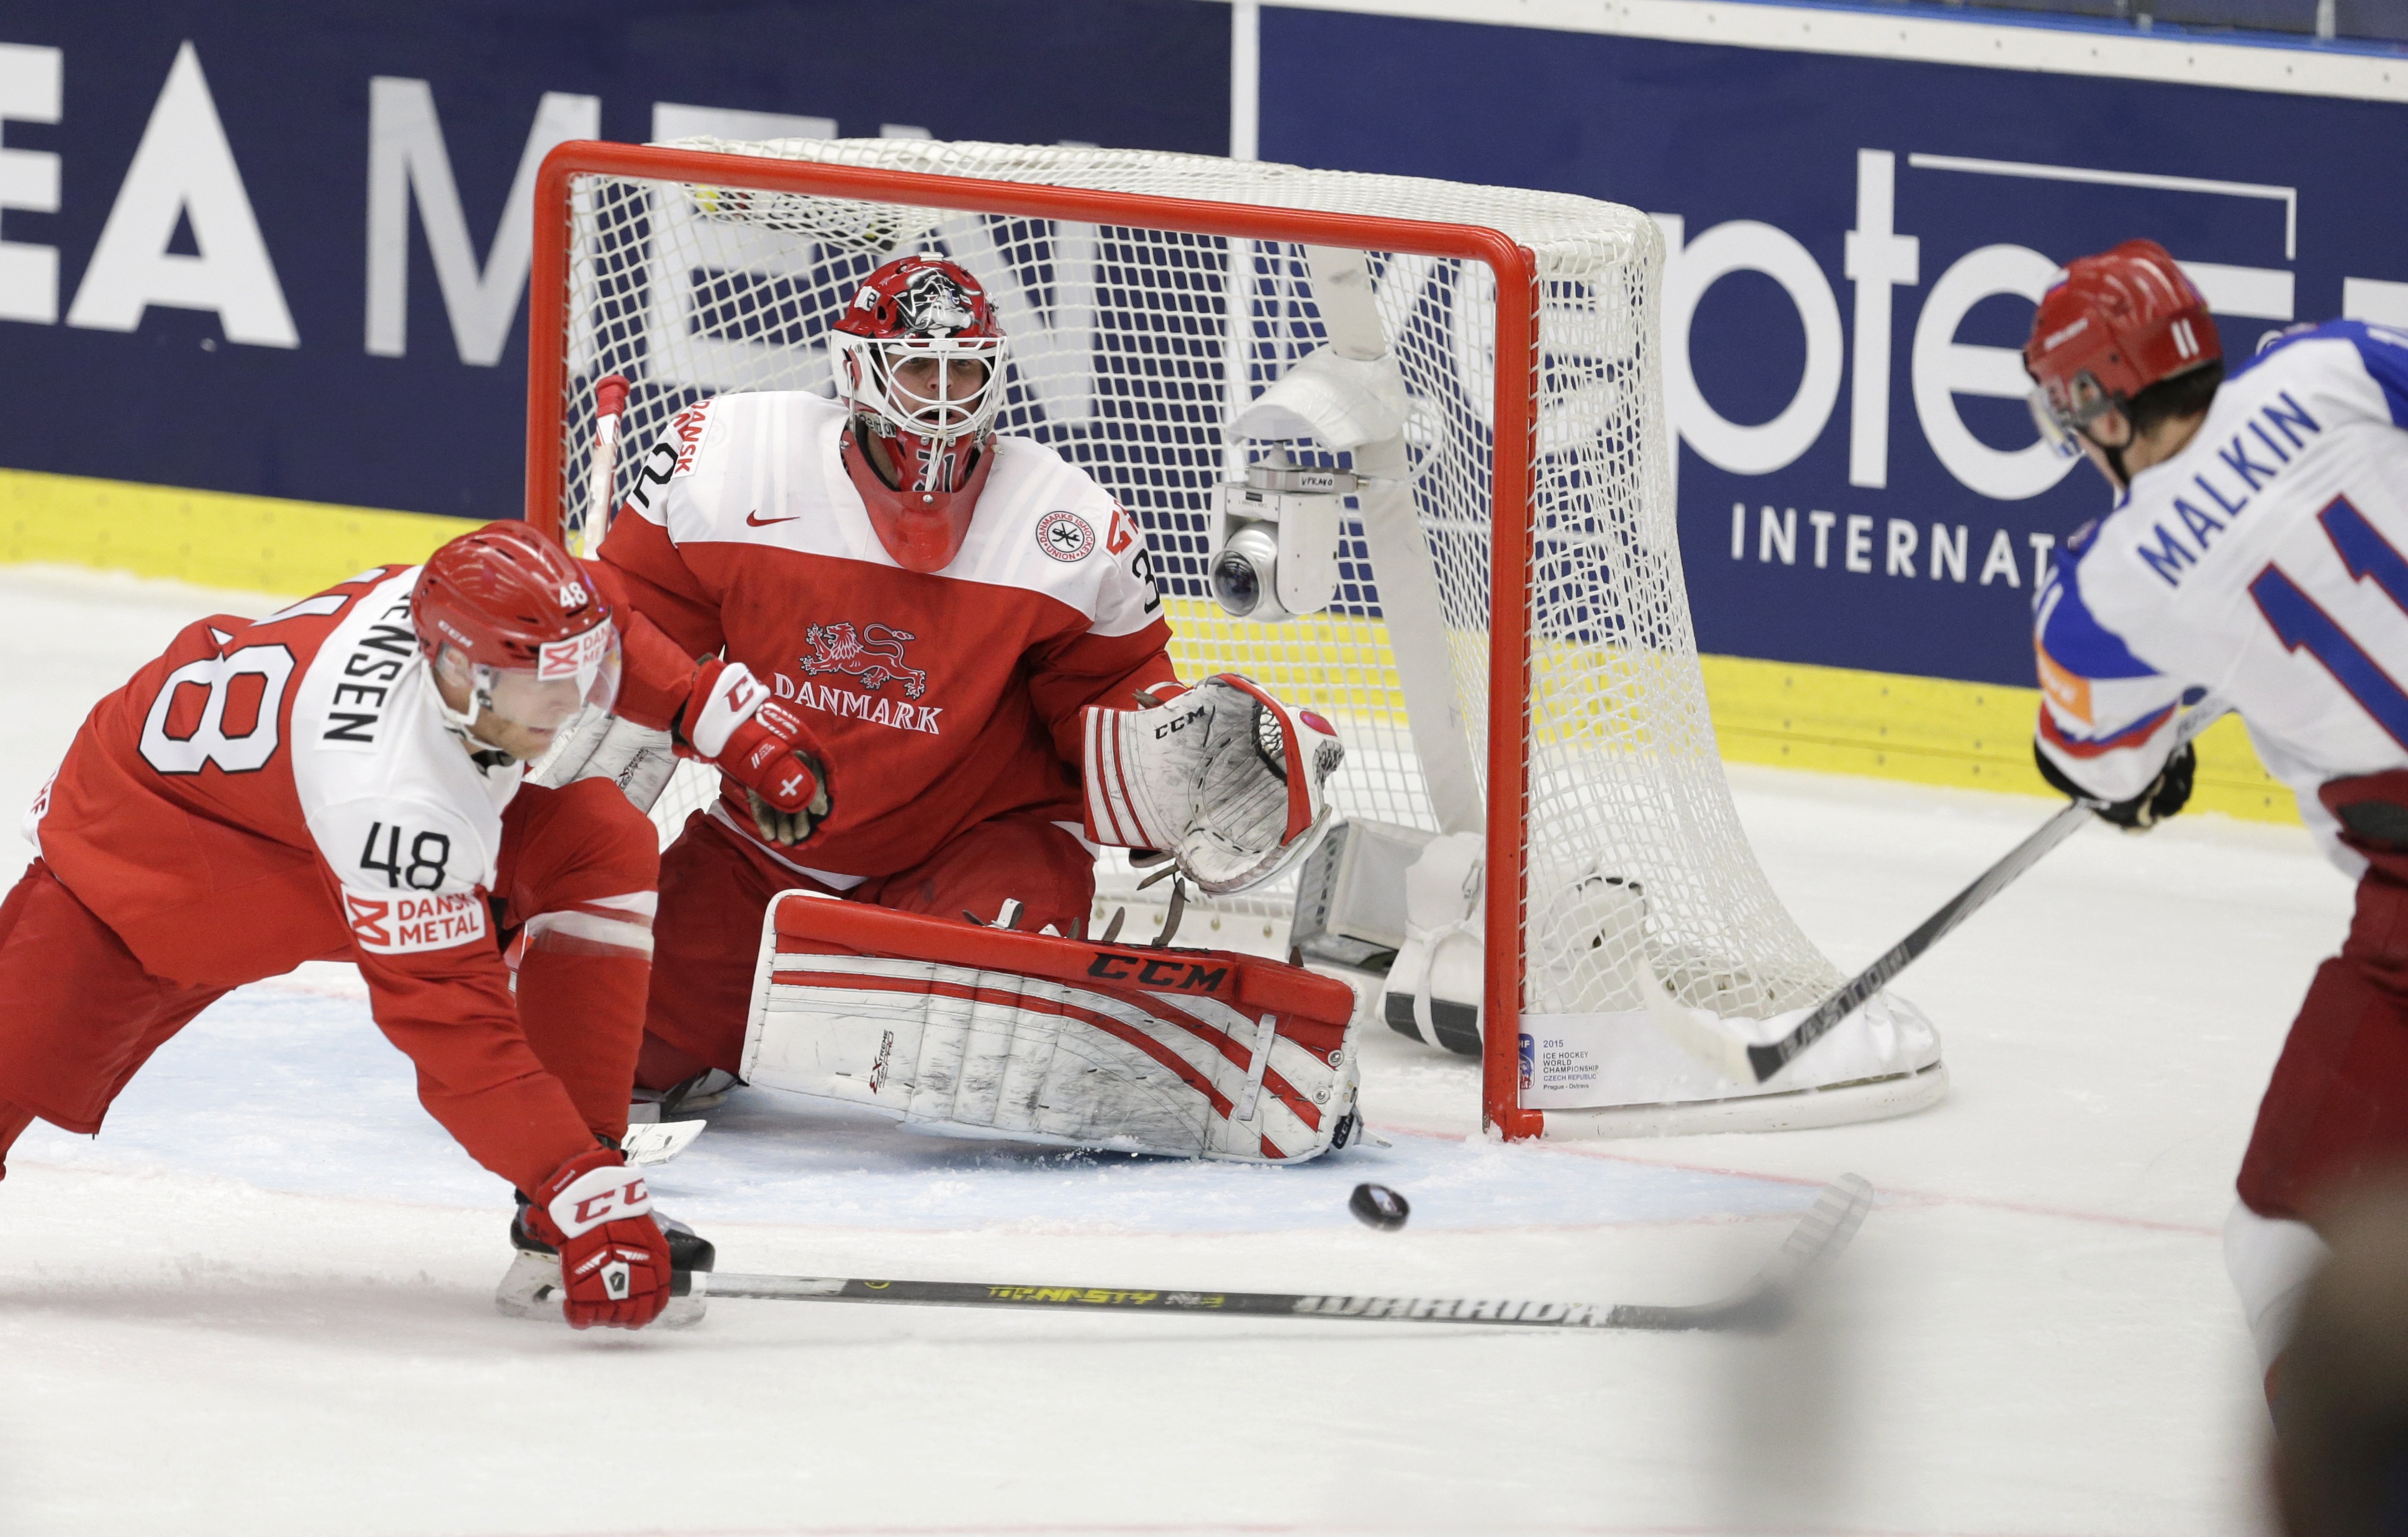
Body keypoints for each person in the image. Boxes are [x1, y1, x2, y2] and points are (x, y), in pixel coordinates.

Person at [0, 521, 828, 1329]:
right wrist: (580, 1195)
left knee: (595, 844)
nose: (570, 701)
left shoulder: (489, 618)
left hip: (288, 799)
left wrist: (723, 724)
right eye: (539, 681)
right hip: (160, 862)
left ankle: (566, 1199)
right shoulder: (392, 796)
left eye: (579, 669)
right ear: (457, 670)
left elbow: (612, 623)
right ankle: (576, 1193)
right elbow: (455, 1035)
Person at [580, 254, 1343, 1118]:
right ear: (857, 368)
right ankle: (733, 1024)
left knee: (986, 1059)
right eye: (918, 367)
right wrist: (571, 835)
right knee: (612, 1039)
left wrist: (1180, 766)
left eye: (964, 371)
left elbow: (1112, 698)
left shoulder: (1067, 524)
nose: (943, 396)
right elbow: (641, 657)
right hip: (771, 847)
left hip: (981, 846)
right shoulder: (726, 462)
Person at [2020, 238, 2408, 1391]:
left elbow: (2100, 770)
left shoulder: (2103, 589)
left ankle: (2352, 1482)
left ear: (2101, 407)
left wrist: (2147, 779)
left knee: (2286, 1236)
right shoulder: (2332, 364)